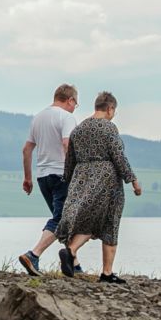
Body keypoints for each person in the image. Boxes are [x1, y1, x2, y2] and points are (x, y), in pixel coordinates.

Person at [54, 91, 141, 284]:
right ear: (110, 108)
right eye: (114, 110)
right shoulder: (109, 128)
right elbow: (118, 156)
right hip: (106, 179)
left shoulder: (79, 129)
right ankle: (107, 273)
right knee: (110, 223)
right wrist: (132, 180)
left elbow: (70, 159)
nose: (113, 114)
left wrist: (68, 180)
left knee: (89, 221)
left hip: (82, 177)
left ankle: (70, 250)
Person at [17, 83, 82, 276]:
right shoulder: (67, 117)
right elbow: (67, 144)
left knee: (63, 219)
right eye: (75, 104)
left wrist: (27, 178)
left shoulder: (38, 118)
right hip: (61, 173)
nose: (74, 107)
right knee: (61, 218)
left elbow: (26, 149)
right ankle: (33, 255)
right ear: (70, 100)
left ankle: (75, 266)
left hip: (42, 176)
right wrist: (74, 171)